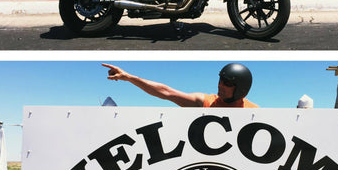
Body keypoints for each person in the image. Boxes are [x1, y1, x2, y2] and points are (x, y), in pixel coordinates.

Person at [102, 62, 258, 108]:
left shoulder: (254, 112)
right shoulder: (206, 102)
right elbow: (166, 92)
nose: (220, 85)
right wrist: (129, 77)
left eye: (227, 83)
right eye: (220, 80)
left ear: (241, 88)